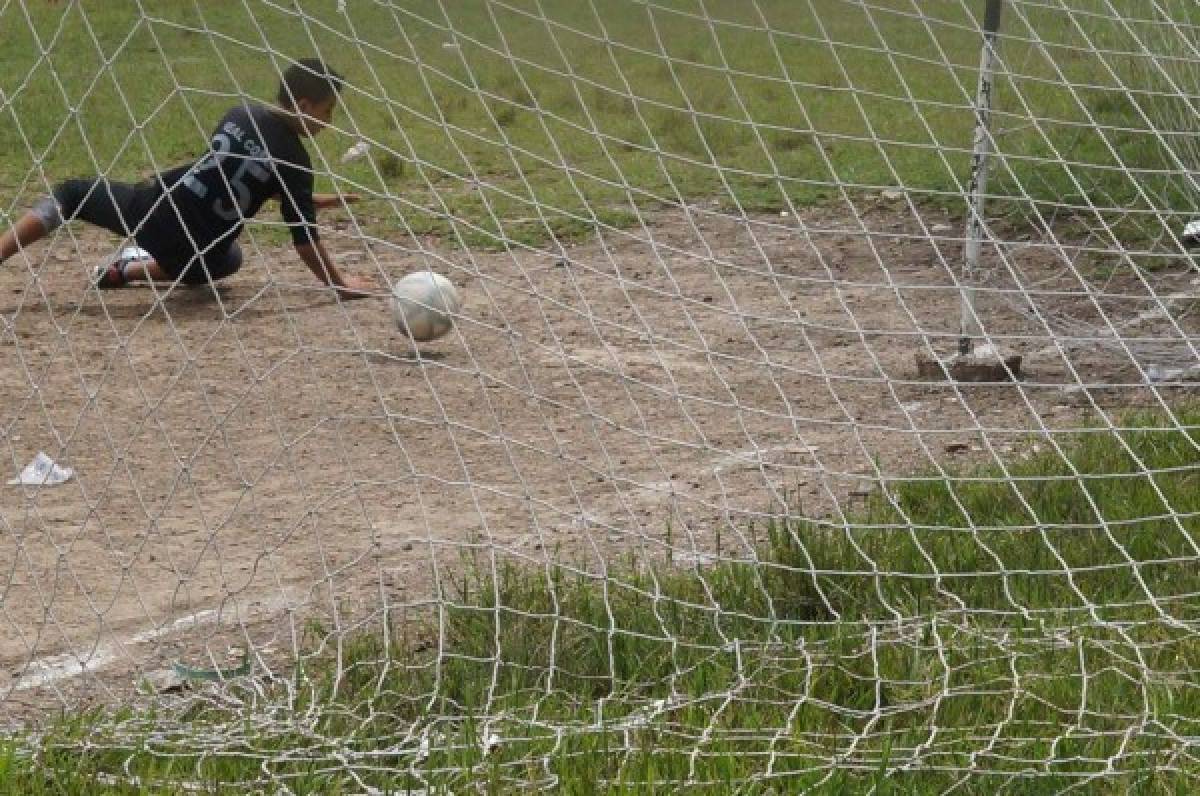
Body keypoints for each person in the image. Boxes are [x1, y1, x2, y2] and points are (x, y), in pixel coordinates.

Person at [0, 58, 374, 299]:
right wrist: (339, 283)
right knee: (230, 261)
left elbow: (234, 171)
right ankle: (126, 272)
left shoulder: (239, 114)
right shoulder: (296, 160)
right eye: (328, 111)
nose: (329, 122)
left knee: (72, 194)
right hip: (198, 254)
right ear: (305, 105)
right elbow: (304, 241)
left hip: (154, 213)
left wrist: (306, 199)